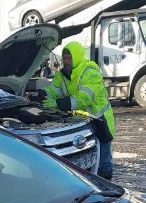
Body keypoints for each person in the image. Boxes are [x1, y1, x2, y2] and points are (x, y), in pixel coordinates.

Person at [44, 42, 116, 180]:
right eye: (64, 58)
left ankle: (106, 180)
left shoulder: (90, 72)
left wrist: (58, 104)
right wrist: (42, 94)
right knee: (84, 150)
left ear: (76, 56)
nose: (66, 61)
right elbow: (53, 90)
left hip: (100, 118)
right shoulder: (63, 75)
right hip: (80, 120)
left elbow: (84, 99)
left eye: (69, 58)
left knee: (103, 152)